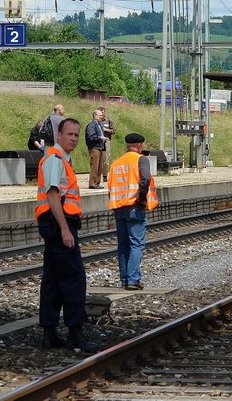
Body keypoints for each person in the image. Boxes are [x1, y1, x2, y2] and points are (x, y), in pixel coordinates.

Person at [35, 118, 99, 352]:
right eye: (69, 134)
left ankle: (49, 333)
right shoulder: (55, 159)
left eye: (76, 135)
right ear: (59, 136)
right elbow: (53, 196)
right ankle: (75, 333)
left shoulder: (59, 159)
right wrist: (64, 229)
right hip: (58, 223)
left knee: (52, 279)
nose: (73, 138)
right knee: (74, 278)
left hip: (53, 223)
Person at [107, 132, 158, 290]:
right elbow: (145, 180)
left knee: (123, 246)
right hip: (135, 206)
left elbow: (110, 186)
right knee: (136, 244)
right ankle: (133, 280)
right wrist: (141, 198)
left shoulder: (116, 163)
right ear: (139, 145)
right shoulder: (140, 159)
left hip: (119, 207)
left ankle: (124, 280)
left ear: (127, 145)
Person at [85, 110, 108, 189]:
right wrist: (100, 138)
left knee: (100, 166)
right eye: (100, 115)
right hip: (94, 147)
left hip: (100, 147)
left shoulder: (99, 125)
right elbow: (91, 136)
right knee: (94, 165)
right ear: (95, 115)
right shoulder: (91, 125)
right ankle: (92, 183)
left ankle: (97, 182)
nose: (102, 117)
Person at [98, 106, 114, 182]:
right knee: (97, 158)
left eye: (103, 112)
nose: (101, 114)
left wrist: (106, 130)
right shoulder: (96, 121)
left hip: (106, 141)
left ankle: (105, 175)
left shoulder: (108, 121)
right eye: (100, 112)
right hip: (98, 141)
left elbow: (113, 130)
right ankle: (97, 175)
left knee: (106, 159)